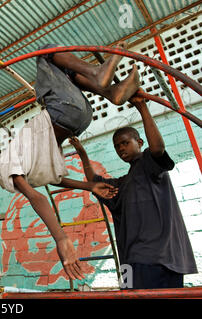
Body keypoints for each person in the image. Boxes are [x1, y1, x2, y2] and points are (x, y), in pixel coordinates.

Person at [0, 42, 140, 281]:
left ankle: (111, 92)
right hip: (63, 112)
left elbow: (55, 179)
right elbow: (36, 198)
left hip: (77, 117)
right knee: (46, 54)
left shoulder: (20, 163)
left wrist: (89, 186)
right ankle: (99, 77)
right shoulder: (8, 170)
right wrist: (61, 238)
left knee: (65, 72)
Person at [69, 91, 198, 289]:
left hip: (159, 257)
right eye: (117, 146)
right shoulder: (122, 184)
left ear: (139, 143)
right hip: (130, 259)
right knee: (129, 293)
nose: (121, 148)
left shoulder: (149, 164)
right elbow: (93, 181)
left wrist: (142, 107)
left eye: (125, 143)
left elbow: (158, 149)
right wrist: (83, 154)